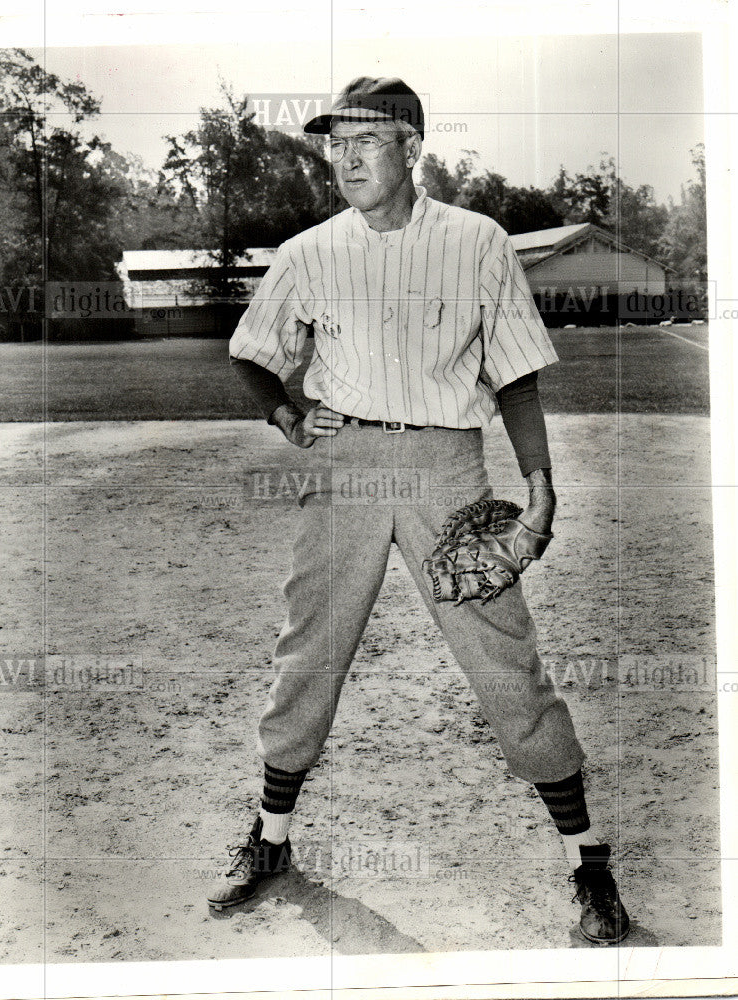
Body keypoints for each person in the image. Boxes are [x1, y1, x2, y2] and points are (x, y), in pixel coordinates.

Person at [209, 76, 629, 946]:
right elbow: (250, 353)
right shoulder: (307, 252)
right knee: (309, 652)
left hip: (446, 467)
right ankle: (271, 840)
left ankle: (588, 863)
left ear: (412, 147)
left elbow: (514, 373)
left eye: (365, 139)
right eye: (334, 143)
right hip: (345, 468)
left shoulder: (478, 243)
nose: (345, 157)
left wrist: (539, 482)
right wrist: (287, 413)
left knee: (504, 658)